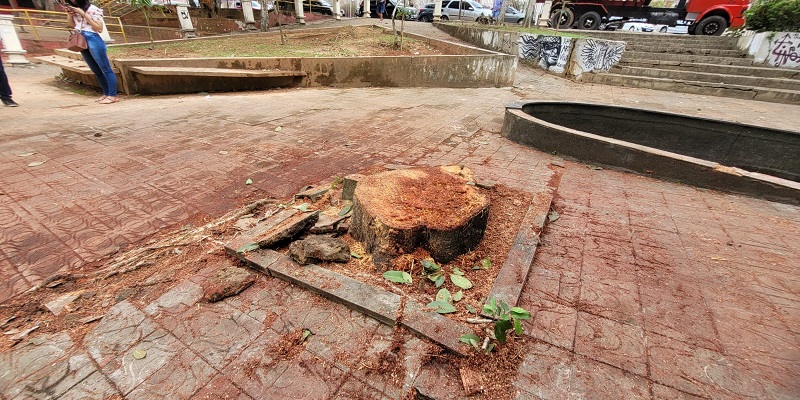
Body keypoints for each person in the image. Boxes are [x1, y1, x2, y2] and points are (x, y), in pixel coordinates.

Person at [65, 0, 118, 104]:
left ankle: (113, 95)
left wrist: (83, 14)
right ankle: (106, 93)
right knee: (96, 70)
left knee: (105, 68)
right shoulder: (74, 10)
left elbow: (99, 28)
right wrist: (69, 14)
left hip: (93, 38)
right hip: (81, 39)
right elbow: (71, 25)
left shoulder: (93, 9)